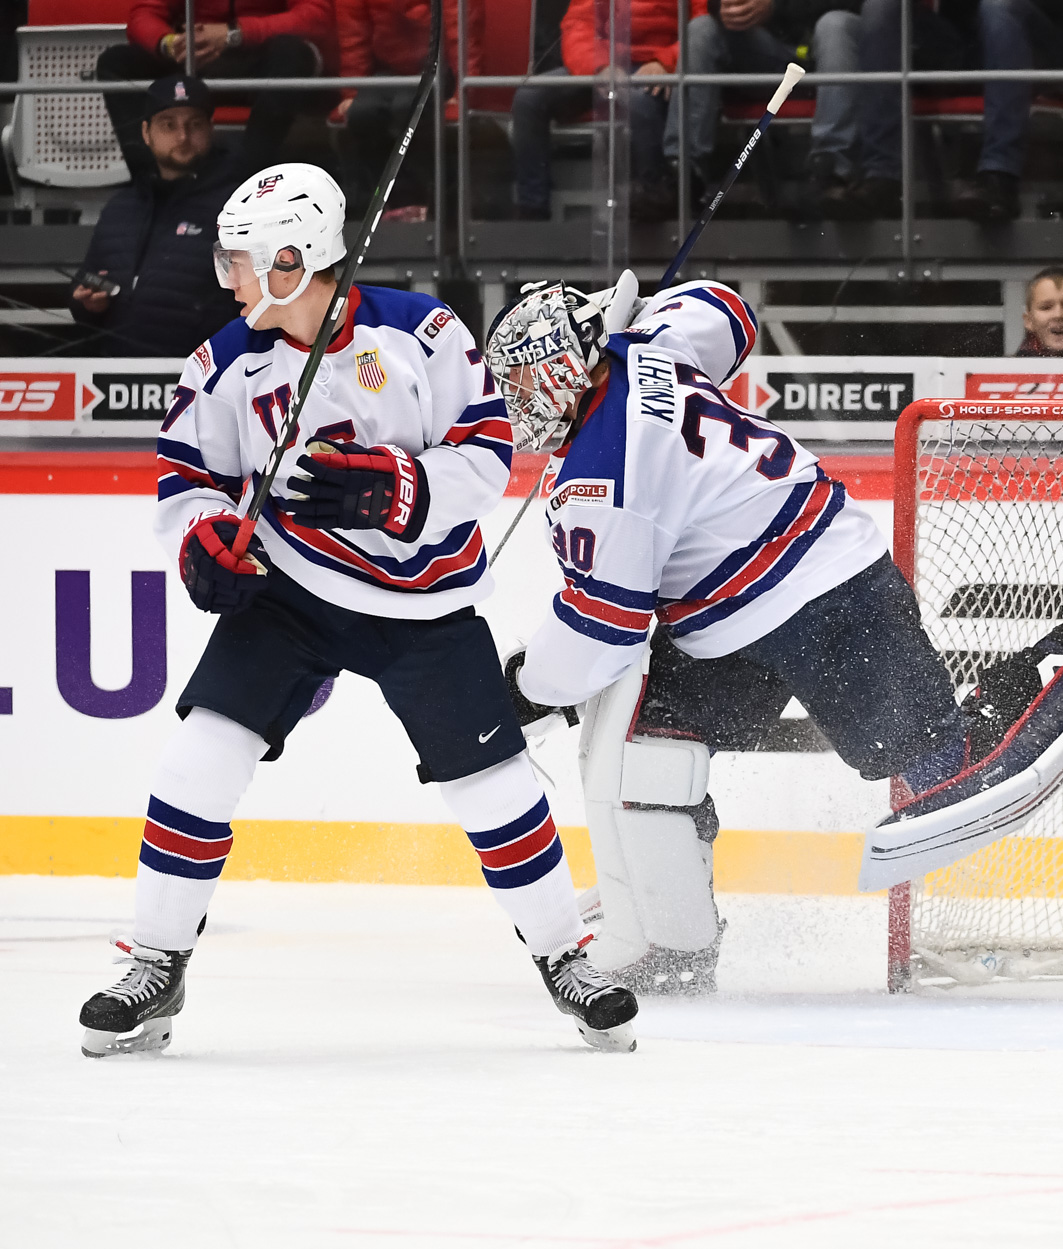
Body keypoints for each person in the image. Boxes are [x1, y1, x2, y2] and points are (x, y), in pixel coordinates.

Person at [483, 277, 1063, 992]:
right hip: (722, 624)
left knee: (943, 773)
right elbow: (728, 310)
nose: (513, 404)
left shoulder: (603, 474)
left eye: (519, 380)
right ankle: (674, 942)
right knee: (650, 750)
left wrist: (524, 687)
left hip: (824, 593)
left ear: (558, 366)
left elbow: (602, 628)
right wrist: (635, 313)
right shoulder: (654, 344)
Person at [77, 164, 638, 1059]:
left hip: (425, 603)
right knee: (195, 764)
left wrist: (395, 488)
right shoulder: (224, 363)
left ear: (295, 260)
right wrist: (206, 542)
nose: (228, 277)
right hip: (292, 593)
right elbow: (188, 481)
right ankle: (156, 960)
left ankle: (564, 955)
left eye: (244, 260)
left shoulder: (425, 333)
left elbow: (489, 455)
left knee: (493, 789)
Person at [68, 75, 279, 357]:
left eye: (194, 124)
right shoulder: (120, 207)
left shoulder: (237, 210)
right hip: (117, 379)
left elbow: (260, 304)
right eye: (168, 124)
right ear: (146, 132)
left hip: (205, 381)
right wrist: (86, 303)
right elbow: (86, 286)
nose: (182, 136)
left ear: (210, 129)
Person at [843, 0, 1063, 221]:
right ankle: (881, 175)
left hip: (1045, 38)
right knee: (880, 7)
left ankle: (999, 174)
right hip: (973, 40)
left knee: (999, 5)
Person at [99, 0, 334, 180]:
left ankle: (246, 180)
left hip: (260, 52)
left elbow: (315, 15)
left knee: (293, 53)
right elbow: (145, 12)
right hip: (192, 54)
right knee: (115, 62)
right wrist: (170, 43)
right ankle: (151, 182)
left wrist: (234, 34)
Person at [666, 0, 863, 214]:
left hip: (830, 50)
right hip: (767, 52)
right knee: (701, 27)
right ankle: (684, 171)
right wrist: (728, 8)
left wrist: (775, 6)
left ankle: (831, 169)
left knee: (835, 24)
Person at [510, 0, 679, 221]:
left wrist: (666, 62)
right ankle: (533, 212)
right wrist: (599, 65)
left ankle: (652, 199)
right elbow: (579, 24)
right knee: (528, 99)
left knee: (638, 104)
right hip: (602, 61)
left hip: (657, 65)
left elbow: (701, 28)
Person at [335, 0, 480, 222]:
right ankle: (391, 199)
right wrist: (351, 92)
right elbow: (354, 37)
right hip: (388, 72)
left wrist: (464, 91)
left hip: (438, 68)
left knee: (409, 107)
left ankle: (428, 199)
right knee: (361, 113)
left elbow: (461, 33)